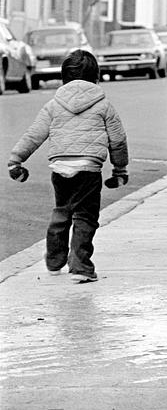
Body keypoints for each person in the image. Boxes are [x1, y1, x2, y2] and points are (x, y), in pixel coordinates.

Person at [7, 50, 129, 283]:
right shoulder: (104, 105)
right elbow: (118, 139)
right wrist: (120, 169)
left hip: (60, 167)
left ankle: (54, 261)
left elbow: (34, 134)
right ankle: (81, 265)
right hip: (89, 169)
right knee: (85, 216)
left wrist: (16, 159)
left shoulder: (54, 105)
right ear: (96, 77)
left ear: (64, 77)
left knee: (62, 211)